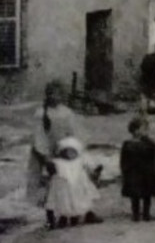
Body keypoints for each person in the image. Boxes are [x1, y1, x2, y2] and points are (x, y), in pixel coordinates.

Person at [27, 81, 84, 212]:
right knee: (49, 184)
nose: (55, 97)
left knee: (70, 181)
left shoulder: (67, 112)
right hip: (45, 153)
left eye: (58, 94)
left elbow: (72, 132)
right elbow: (39, 136)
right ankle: (51, 216)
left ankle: (75, 211)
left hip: (64, 151)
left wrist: (71, 148)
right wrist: (46, 157)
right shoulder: (41, 113)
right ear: (47, 95)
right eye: (52, 94)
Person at [44, 138, 105, 229]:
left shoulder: (80, 160)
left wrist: (96, 170)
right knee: (64, 203)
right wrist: (50, 166)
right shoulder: (58, 162)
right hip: (64, 188)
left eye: (72, 151)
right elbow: (49, 171)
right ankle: (64, 218)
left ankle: (86, 215)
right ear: (61, 152)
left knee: (83, 200)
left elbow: (91, 165)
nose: (69, 154)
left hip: (79, 186)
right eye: (66, 151)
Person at [120, 116, 155, 222]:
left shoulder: (149, 143)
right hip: (133, 173)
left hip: (146, 172)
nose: (145, 131)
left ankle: (146, 213)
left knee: (147, 194)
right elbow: (124, 160)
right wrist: (124, 172)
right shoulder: (127, 144)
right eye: (143, 129)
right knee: (134, 195)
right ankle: (135, 214)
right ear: (135, 130)